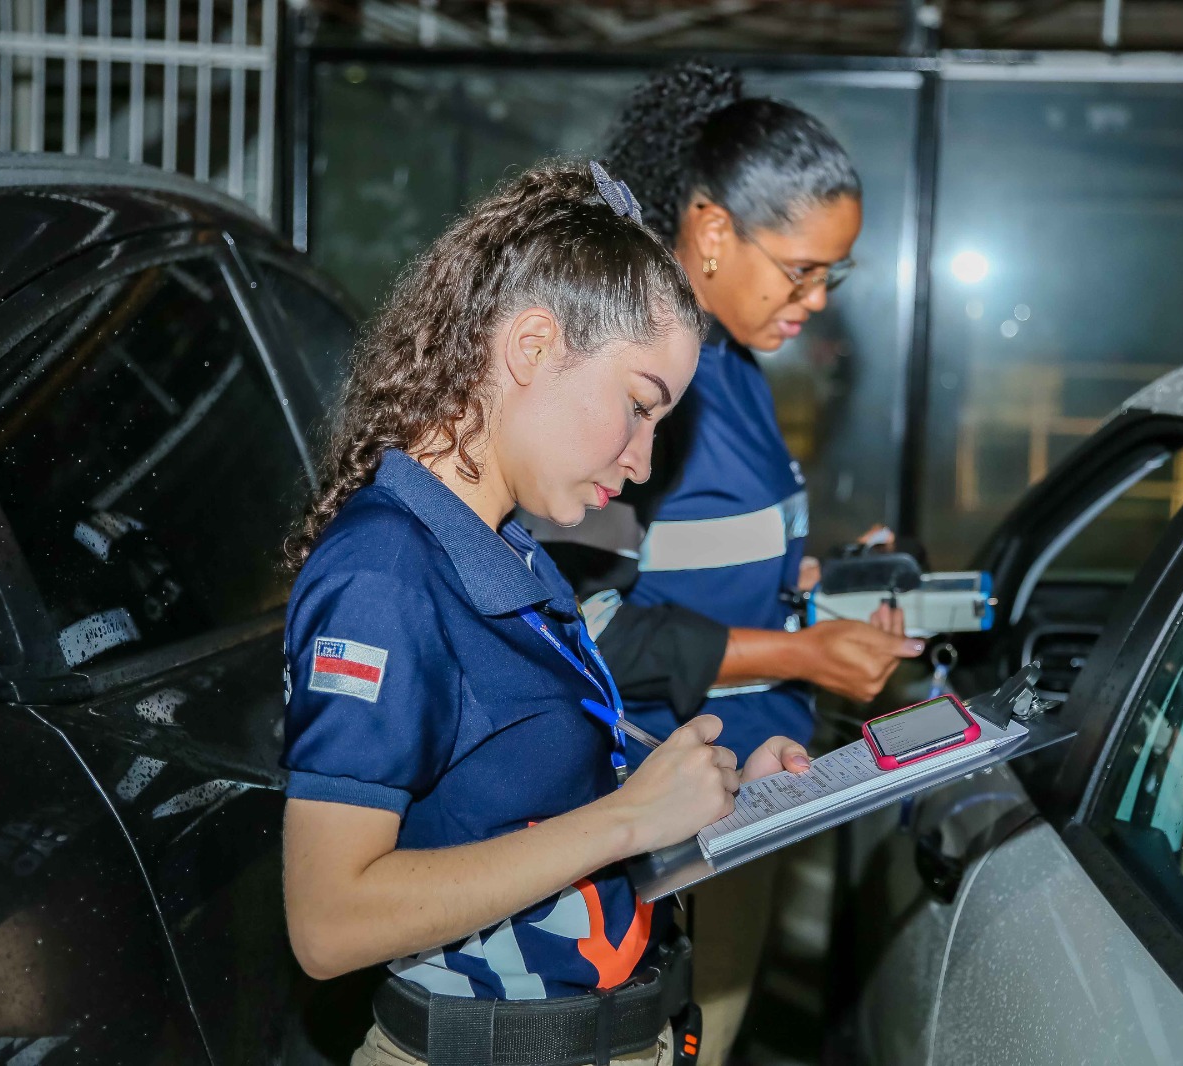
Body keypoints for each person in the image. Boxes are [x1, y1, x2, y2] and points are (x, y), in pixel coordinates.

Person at [278, 162, 811, 1066]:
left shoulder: (510, 550)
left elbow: (523, 821)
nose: (643, 461)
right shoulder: (386, 575)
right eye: (638, 406)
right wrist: (628, 820)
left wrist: (715, 805)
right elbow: (329, 923)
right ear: (530, 347)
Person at [525, 62, 928, 1066]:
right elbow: (582, 630)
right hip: (660, 823)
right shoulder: (639, 383)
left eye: (834, 276)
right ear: (711, 231)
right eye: (801, 269)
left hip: (744, 795)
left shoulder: (734, 366)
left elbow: (698, 555)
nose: (816, 300)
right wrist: (802, 656)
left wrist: (812, 583)